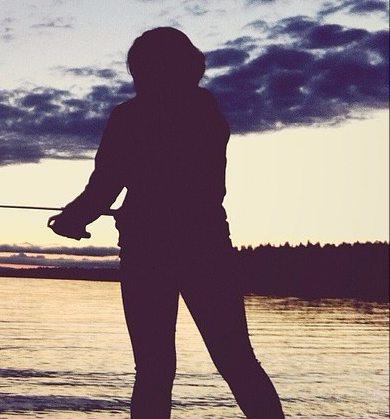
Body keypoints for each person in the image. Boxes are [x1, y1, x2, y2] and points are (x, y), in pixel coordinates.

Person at [48, 27, 285, 418]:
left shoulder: (130, 116)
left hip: (149, 253)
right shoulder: (208, 111)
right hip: (209, 247)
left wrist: (73, 218)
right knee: (237, 361)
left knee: (154, 370)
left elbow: (106, 182)